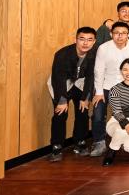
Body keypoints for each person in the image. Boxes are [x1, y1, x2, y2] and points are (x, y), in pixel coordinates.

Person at [90, 22, 129, 157]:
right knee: (98, 114)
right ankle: (99, 142)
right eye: (116, 33)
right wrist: (99, 92)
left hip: (126, 86)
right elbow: (99, 71)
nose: (120, 36)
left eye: (123, 33)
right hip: (106, 86)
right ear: (111, 34)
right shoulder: (103, 48)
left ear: (128, 34)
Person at [48, 27, 97, 162]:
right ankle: (57, 146)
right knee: (60, 113)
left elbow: (91, 77)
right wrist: (62, 100)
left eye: (89, 40)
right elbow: (58, 78)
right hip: (62, 83)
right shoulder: (62, 54)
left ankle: (80, 141)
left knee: (83, 111)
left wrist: (86, 98)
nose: (85, 43)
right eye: (82, 39)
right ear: (75, 40)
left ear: (94, 42)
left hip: (81, 82)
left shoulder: (94, 54)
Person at [102, 58, 129, 166]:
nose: (128, 72)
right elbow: (117, 111)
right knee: (121, 130)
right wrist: (126, 123)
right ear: (121, 71)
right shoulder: (115, 89)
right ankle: (112, 150)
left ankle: (124, 141)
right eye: (125, 69)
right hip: (117, 121)